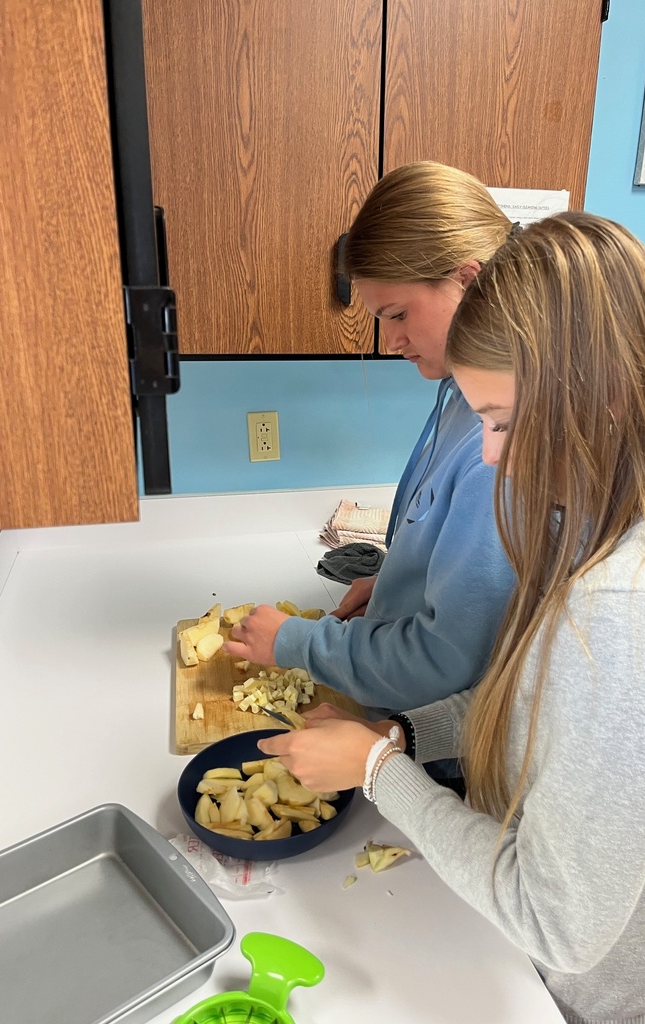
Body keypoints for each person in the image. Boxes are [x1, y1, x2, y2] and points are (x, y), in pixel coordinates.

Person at [255, 212, 645, 1024]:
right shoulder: (640, 518)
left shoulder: (630, 609)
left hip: (583, 1003)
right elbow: (533, 700)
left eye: (502, 421)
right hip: (636, 976)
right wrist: (405, 736)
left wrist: (382, 774)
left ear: (603, 394)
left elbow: (559, 921)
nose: (489, 455)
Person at [225, 162, 517, 716]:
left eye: (399, 314)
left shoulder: (498, 445)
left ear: (469, 280)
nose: (392, 340)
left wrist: (295, 643)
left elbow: (444, 663)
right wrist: (394, 586)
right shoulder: (462, 390)